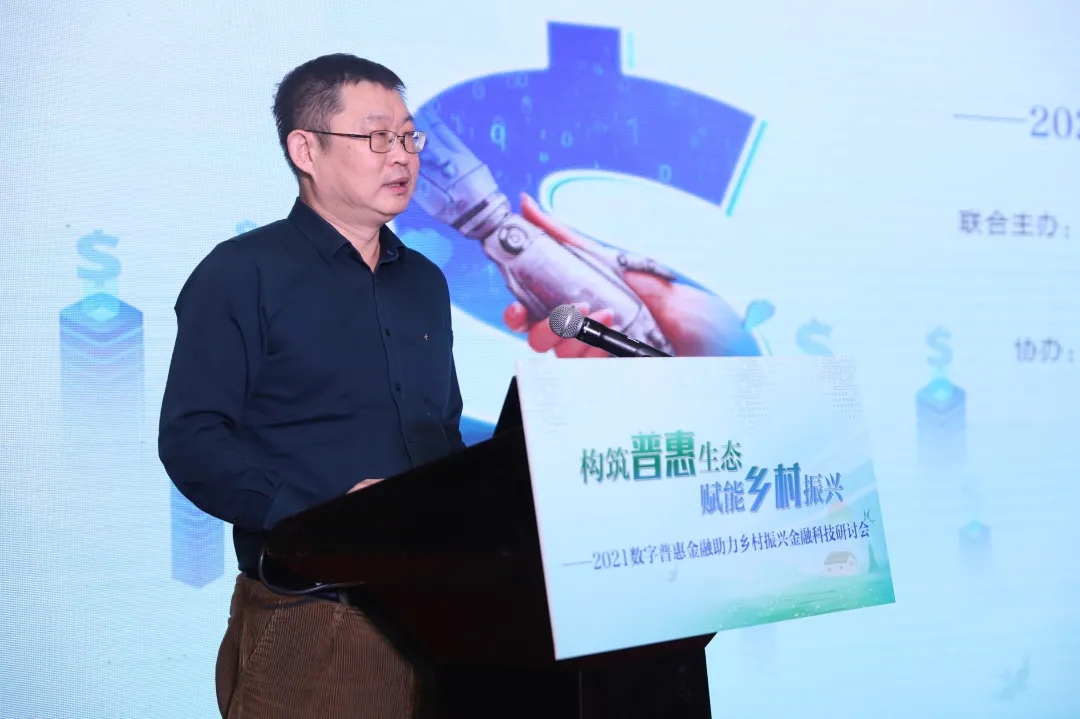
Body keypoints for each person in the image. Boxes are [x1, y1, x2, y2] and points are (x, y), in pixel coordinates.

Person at [158, 54, 465, 718]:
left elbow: (442, 429)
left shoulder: (424, 282)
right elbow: (192, 438)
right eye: (376, 136)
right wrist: (322, 515)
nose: (401, 156)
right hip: (316, 615)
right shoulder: (242, 272)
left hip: (444, 618)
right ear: (306, 150)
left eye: (408, 136)